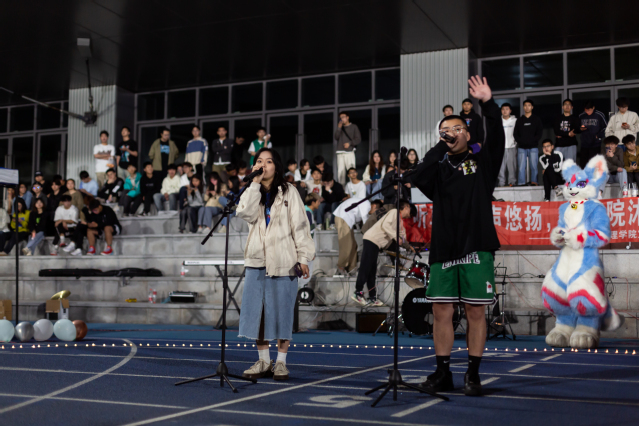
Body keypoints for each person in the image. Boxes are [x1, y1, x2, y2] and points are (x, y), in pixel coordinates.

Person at [411, 76, 503, 396]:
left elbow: (497, 138)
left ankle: (473, 374)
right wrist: (443, 142)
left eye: (456, 129)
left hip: (476, 246)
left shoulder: (482, 164)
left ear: (468, 133)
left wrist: (487, 104)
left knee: (476, 311)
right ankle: (442, 372)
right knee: (441, 312)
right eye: (445, 130)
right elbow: (419, 173)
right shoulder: (437, 170)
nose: (450, 133)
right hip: (444, 248)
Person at [236, 147, 314, 382]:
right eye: (259, 161)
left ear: (277, 167)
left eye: (268, 161)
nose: (263, 165)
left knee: (282, 313)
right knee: (257, 313)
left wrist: (303, 257)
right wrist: (254, 184)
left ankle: (280, 362)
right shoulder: (252, 191)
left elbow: (300, 226)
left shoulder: (289, 191)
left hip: (283, 260)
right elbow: (245, 213)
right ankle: (263, 360)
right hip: (257, 260)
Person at [352, 200, 413, 307]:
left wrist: (408, 246)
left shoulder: (400, 221)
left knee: (372, 271)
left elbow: (402, 236)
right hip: (371, 239)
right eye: (409, 209)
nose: (410, 213)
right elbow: (386, 225)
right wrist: (397, 237)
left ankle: (372, 297)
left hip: (376, 243)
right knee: (366, 267)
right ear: (406, 207)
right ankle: (358, 292)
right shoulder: (394, 212)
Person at [333, 197, 370, 276]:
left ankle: (352, 268)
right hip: (343, 217)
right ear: (374, 206)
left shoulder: (365, 203)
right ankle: (341, 267)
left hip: (347, 220)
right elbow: (365, 221)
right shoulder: (367, 204)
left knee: (353, 245)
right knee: (347, 245)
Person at [514, 99, 543, 186]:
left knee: (534, 167)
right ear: (523, 107)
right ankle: (521, 183)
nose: (527, 107)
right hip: (521, 147)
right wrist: (521, 142)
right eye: (525, 105)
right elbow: (515, 134)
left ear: (532, 107)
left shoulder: (536, 119)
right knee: (521, 167)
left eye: (529, 105)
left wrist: (533, 141)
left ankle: (534, 183)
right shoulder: (519, 120)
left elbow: (539, 133)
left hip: (533, 147)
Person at [334, 111, 361, 185]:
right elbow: (336, 137)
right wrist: (339, 128)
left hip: (349, 152)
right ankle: (341, 188)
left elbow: (358, 139)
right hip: (340, 152)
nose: (342, 119)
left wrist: (350, 143)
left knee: (352, 171)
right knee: (341, 172)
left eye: (343, 117)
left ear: (347, 117)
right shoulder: (340, 128)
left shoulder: (353, 126)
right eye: (340, 118)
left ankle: (353, 187)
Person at [579, 101, 608, 168]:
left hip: (596, 144)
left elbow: (606, 127)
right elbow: (577, 128)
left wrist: (598, 135)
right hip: (584, 144)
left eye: (589, 110)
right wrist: (580, 129)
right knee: (583, 164)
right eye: (586, 110)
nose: (587, 112)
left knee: (594, 164)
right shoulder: (581, 116)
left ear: (593, 108)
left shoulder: (599, 115)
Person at [553, 98, 581, 162]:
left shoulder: (575, 119)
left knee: (570, 165)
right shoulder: (558, 118)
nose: (567, 106)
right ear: (562, 107)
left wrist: (562, 134)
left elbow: (575, 131)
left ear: (572, 107)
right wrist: (568, 134)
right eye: (565, 104)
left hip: (571, 145)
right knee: (556, 164)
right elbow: (556, 132)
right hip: (559, 144)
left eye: (569, 104)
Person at [497, 103, 517, 187]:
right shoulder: (498, 121)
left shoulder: (515, 120)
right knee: (501, 167)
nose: (504, 111)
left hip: (512, 146)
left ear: (510, 111)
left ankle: (512, 182)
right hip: (501, 147)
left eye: (506, 109)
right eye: (503, 109)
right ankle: (501, 183)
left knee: (512, 166)